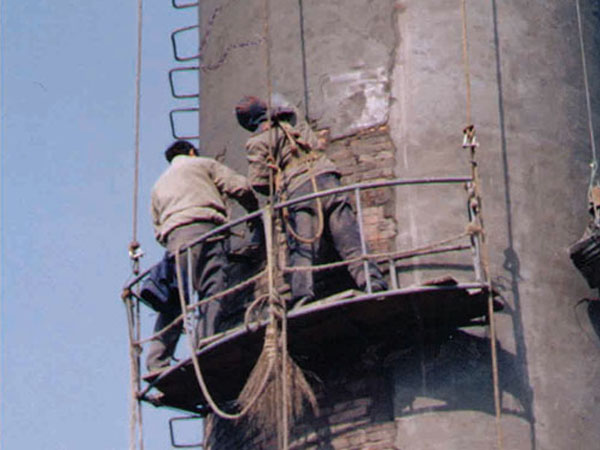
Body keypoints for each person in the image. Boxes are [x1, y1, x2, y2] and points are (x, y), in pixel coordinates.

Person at [235, 95, 387, 309]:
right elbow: (309, 136)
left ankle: (302, 296)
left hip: (300, 188)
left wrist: (274, 174)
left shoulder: (257, 141)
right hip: (328, 177)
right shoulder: (292, 117)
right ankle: (372, 281)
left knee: (303, 246)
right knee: (348, 235)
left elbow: (259, 182)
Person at [145, 140, 258, 375]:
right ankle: (205, 344)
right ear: (191, 152)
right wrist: (254, 211)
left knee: (175, 299)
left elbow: (157, 228)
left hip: (176, 241)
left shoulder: (158, 185)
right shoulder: (202, 164)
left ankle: (157, 361)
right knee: (212, 291)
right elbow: (239, 187)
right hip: (209, 231)